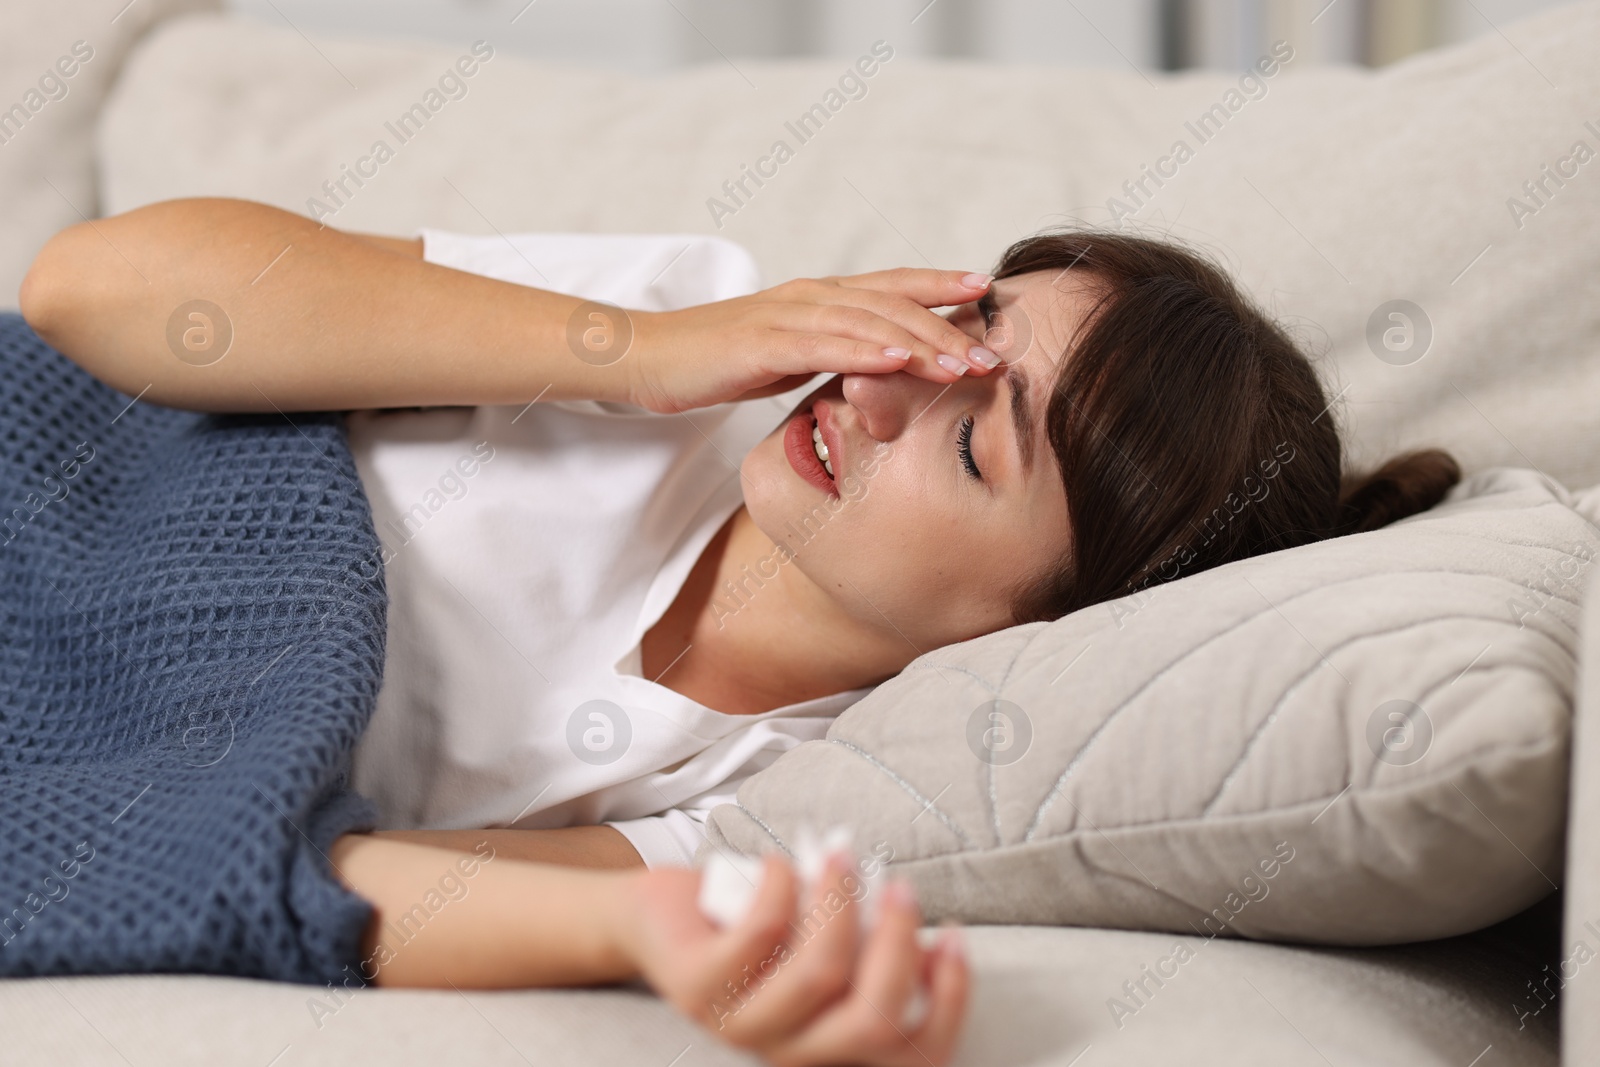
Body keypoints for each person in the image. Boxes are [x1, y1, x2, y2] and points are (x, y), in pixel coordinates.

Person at [19, 197, 1458, 1067]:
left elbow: (280, 879)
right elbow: (90, 295)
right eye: (959, 327)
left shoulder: (788, 791)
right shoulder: (676, 326)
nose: (880, 390)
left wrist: (667, 941)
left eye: (975, 446)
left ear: (1039, 630)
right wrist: (635, 355)